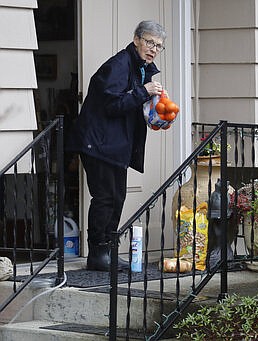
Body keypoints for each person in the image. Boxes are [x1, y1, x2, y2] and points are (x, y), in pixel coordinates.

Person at [68, 20, 166, 271]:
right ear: (136, 40)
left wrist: (155, 115)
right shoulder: (118, 65)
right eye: (149, 42)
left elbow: (129, 105)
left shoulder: (140, 68)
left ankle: (108, 252)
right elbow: (111, 105)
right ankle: (97, 254)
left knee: (117, 197)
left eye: (158, 46)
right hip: (98, 143)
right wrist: (144, 91)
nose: (153, 49)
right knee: (105, 198)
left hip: (115, 145)